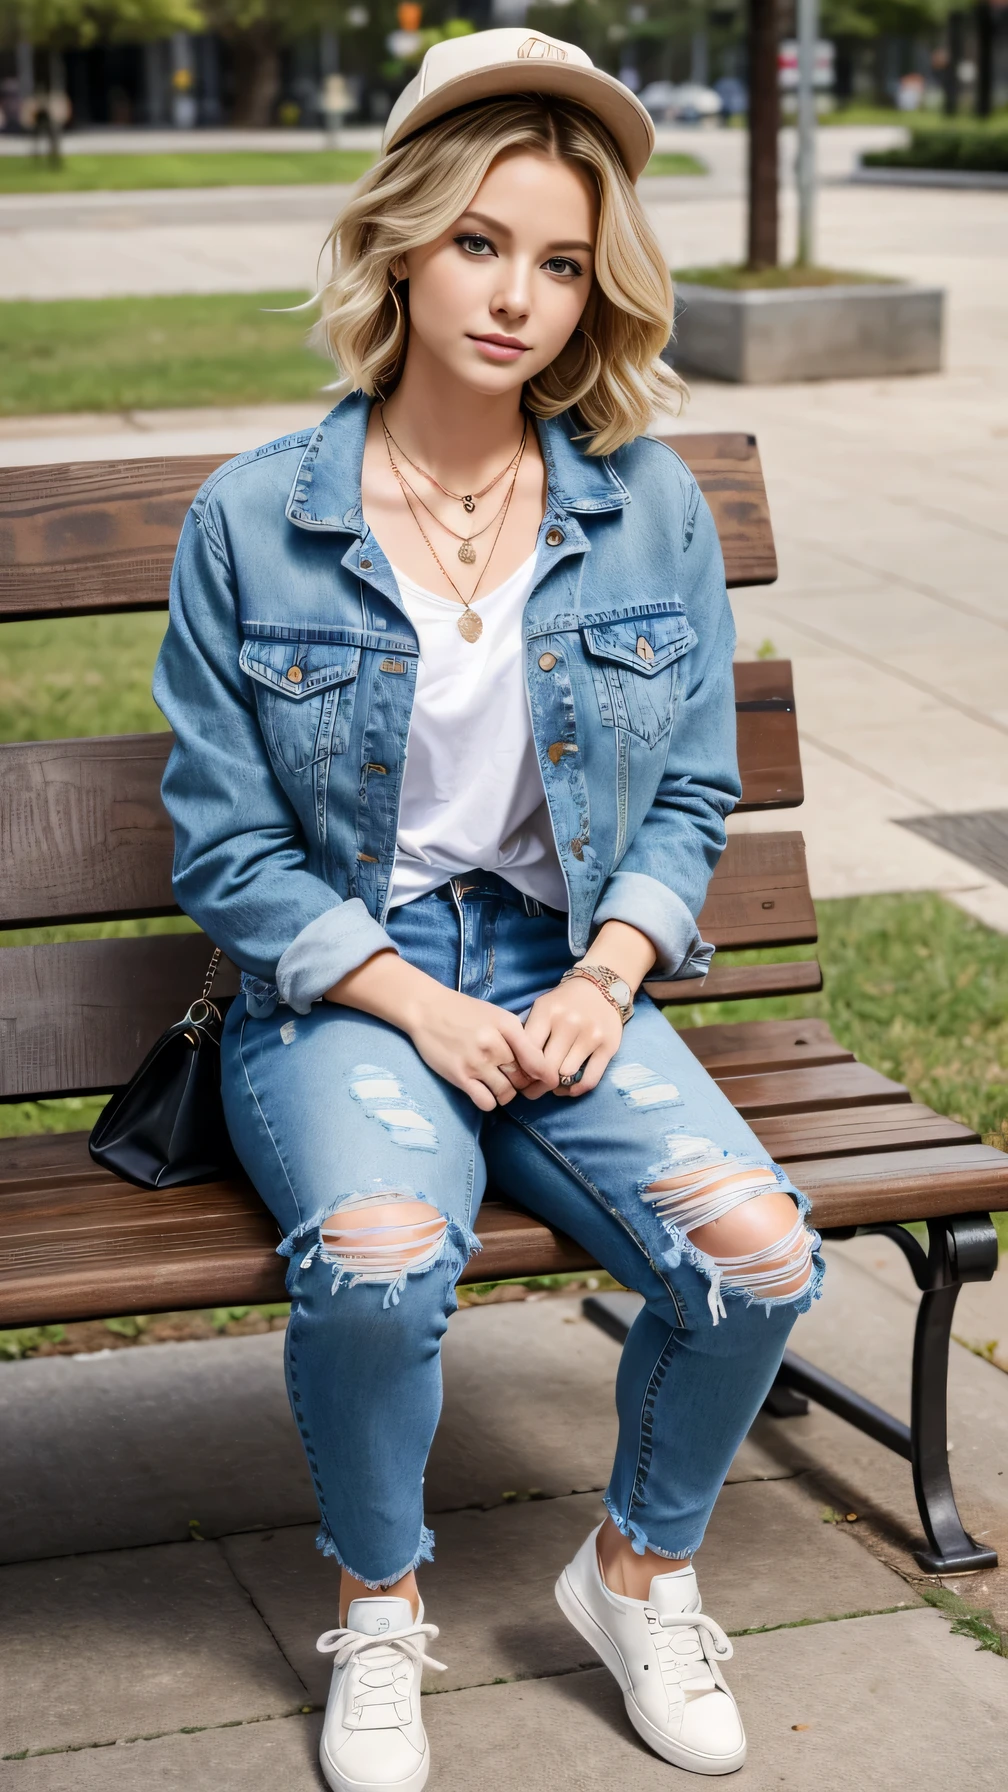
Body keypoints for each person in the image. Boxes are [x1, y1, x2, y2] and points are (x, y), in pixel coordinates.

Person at [154, 28, 823, 1789]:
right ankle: (382, 1614)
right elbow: (226, 853)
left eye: (560, 261)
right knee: (376, 1274)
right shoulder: (254, 522)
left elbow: (688, 791)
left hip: (563, 972)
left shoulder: (643, 506)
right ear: (399, 240)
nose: (517, 294)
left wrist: (611, 972)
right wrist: (409, 1001)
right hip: (347, 1000)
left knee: (760, 1260)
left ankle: (637, 1573)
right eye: (479, 242)